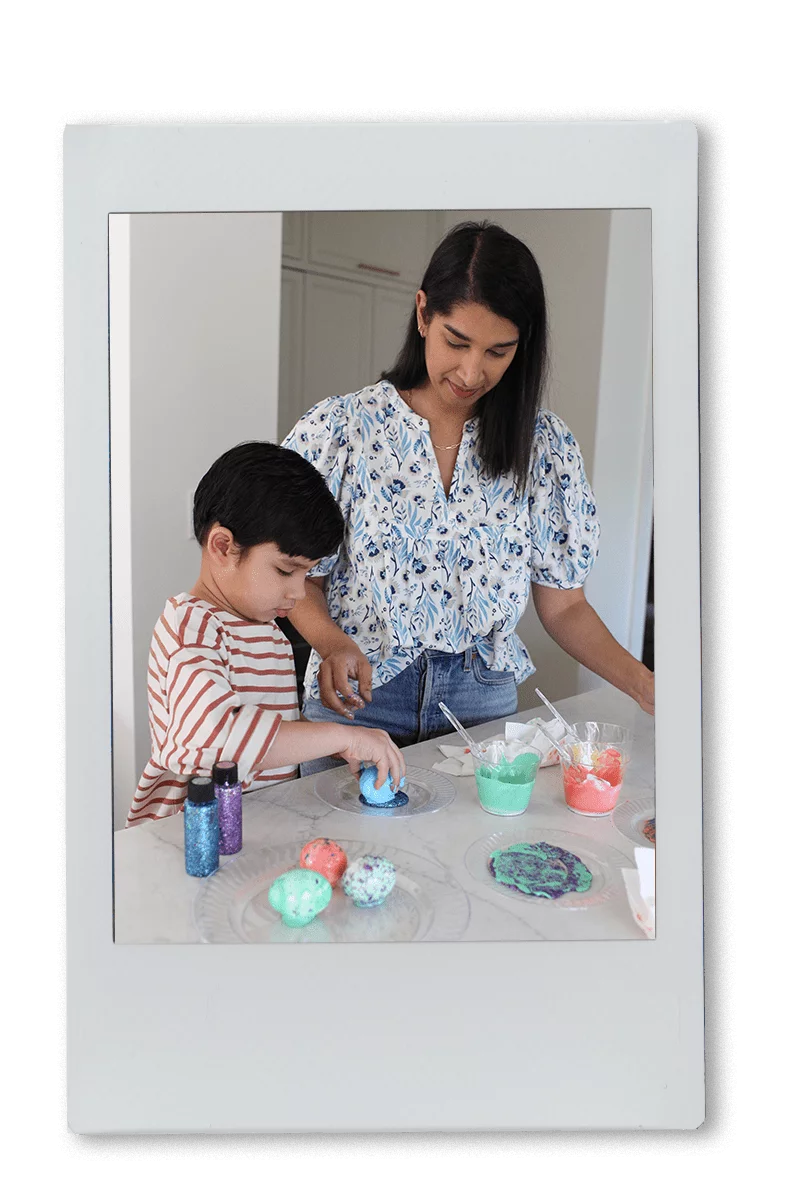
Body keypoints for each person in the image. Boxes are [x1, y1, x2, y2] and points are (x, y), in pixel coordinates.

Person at [281, 221, 655, 777]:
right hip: (358, 701)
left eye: (499, 352)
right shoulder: (343, 430)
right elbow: (296, 577)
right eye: (456, 341)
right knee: (349, 862)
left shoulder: (543, 447)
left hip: (482, 704)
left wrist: (647, 686)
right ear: (423, 313)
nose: (472, 371)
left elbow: (565, 604)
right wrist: (331, 641)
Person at [126, 442, 405, 826]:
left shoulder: (266, 630)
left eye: (306, 574)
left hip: (257, 830)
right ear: (223, 546)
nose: (298, 591)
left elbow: (263, 731)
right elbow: (213, 740)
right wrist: (343, 737)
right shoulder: (191, 628)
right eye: (285, 570)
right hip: (194, 843)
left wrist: (330, 744)